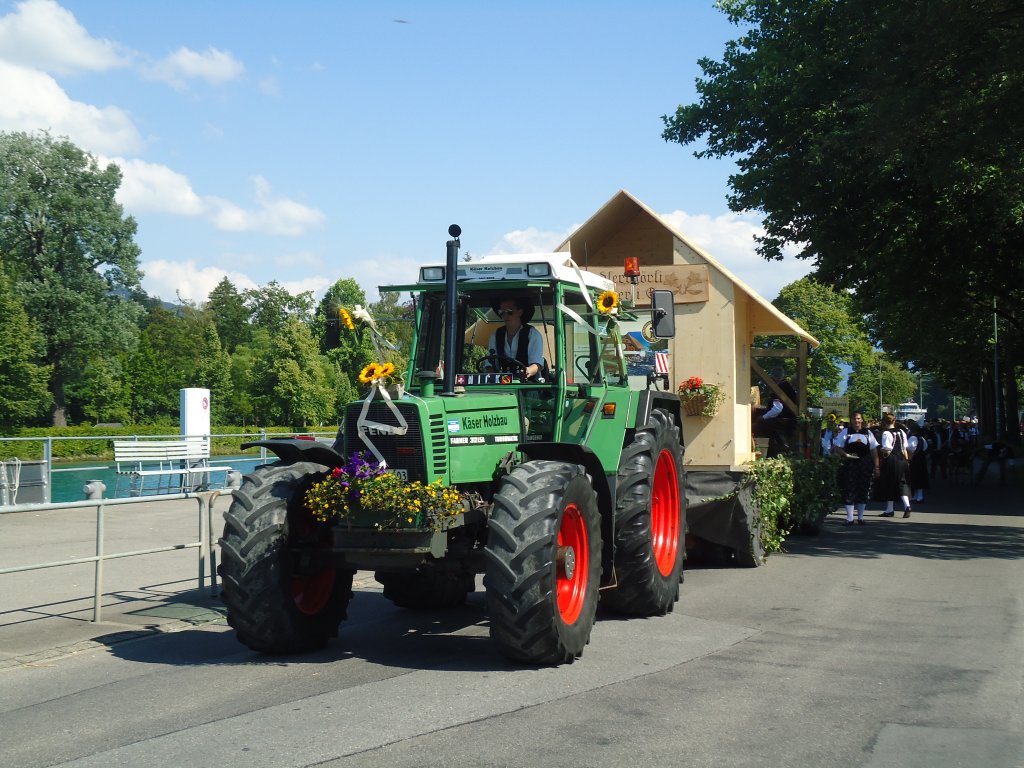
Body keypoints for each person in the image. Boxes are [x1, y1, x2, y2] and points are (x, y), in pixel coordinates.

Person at [833, 411, 880, 525]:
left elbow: (873, 450)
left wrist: (877, 467)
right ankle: (849, 518)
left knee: (863, 488)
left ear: (862, 420)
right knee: (850, 488)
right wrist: (846, 455)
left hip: (865, 463)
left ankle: (861, 517)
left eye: (858, 418)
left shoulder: (868, 433)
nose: (856, 420)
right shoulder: (846, 431)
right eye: (854, 418)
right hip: (850, 463)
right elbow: (836, 447)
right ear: (851, 420)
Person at [486, 297, 545, 380]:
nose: (505, 315)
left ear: (520, 312)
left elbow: (537, 364)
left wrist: (528, 371)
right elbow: (490, 365)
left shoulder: (532, 334)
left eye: (509, 312)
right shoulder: (495, 335)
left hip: (528, 385)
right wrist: (490, 377)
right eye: (501, 312)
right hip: (503, 384)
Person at [752, 367, 798, 456]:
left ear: (774, 378)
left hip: (782, 421)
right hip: (787, 419)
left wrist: (762, 417)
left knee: (757, 426)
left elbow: (777, 408)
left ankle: (765, 452)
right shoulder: (786, 386)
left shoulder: (780, 387)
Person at [875, 414, 913, 517]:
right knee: (902, 482)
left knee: (889, 482)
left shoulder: (886, 433)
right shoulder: (902, 432)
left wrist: (880, 449)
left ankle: (889, 510)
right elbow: (905, 448)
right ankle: (907, 506)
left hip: (892, 459)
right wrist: (907, 461)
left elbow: (887, 449)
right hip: (902, 459)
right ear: (894, 420)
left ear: (884, 422)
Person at [907, 421, 929, 504]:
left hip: (914, 460)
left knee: (915, 478)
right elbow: (925, 447)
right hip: (921, 459)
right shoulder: (921, 438)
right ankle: (918, 496)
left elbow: (909, 449)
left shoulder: (913, 438)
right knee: (920, 478)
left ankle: (918, 497)